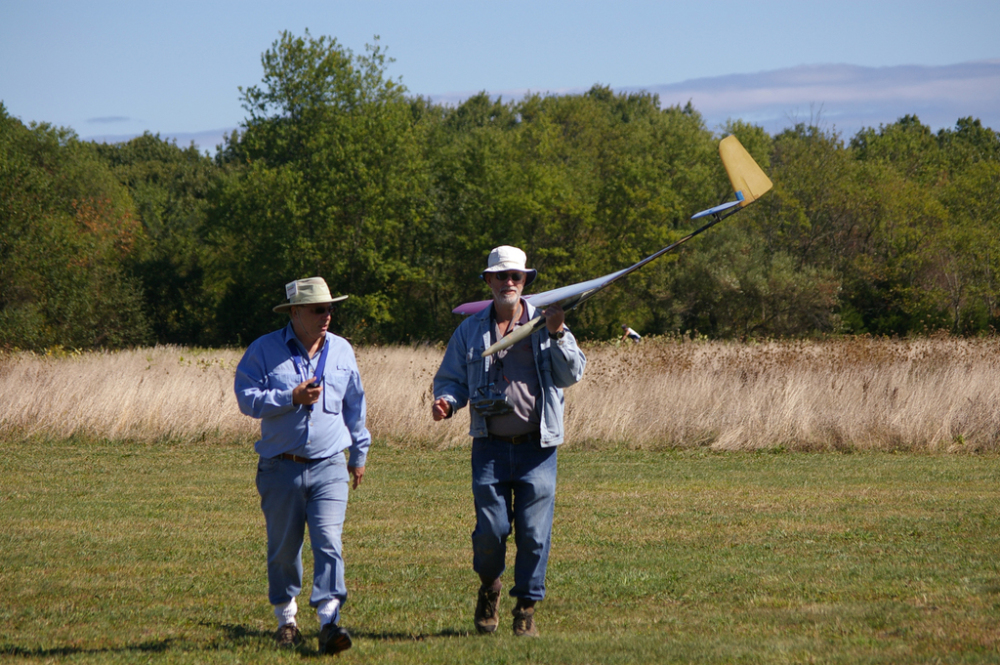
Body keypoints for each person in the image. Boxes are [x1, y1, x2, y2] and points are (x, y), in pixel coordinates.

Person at [432, 246, 587, 637]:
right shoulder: (469, 330)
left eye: (516, 276)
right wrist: (447, 402)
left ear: (525, 282)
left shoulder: (546, 323)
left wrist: (558, 333)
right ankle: (490, 587)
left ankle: (525, 610)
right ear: (488, 281)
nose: (509, 283)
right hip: (490, 448)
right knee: (490, 532)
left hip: (538, 448)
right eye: (501, 276)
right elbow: (451, 379)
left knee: (535, 535)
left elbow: (572, 375)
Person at [234, 277, 370, 655]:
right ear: (295, 312)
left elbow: (355, 406)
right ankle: (287, 619)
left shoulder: (342, 351)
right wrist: (290, 397)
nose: (327, 315)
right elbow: (247, 399)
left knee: (329, 541)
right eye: (317, 309)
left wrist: (358, 454)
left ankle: (329, 621)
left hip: (330, 465)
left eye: (329, 308)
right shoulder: (263, 350)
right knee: (284, 548)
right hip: (280, 467)